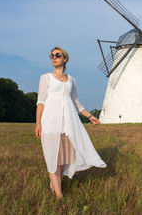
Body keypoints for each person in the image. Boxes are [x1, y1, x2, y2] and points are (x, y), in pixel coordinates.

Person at [35, 46, 107, 200]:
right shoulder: (45, 77)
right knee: (52, 156)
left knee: (62, 159)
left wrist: (90, 116)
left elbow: (76, 102)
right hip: (50, 120)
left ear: (65, 59)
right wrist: (38, 124)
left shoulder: (72, 80)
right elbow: (40, 102)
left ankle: (54, 185)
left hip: (68, 123)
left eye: (57, 55)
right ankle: (60, 197)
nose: (54, 57)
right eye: (51, 55)